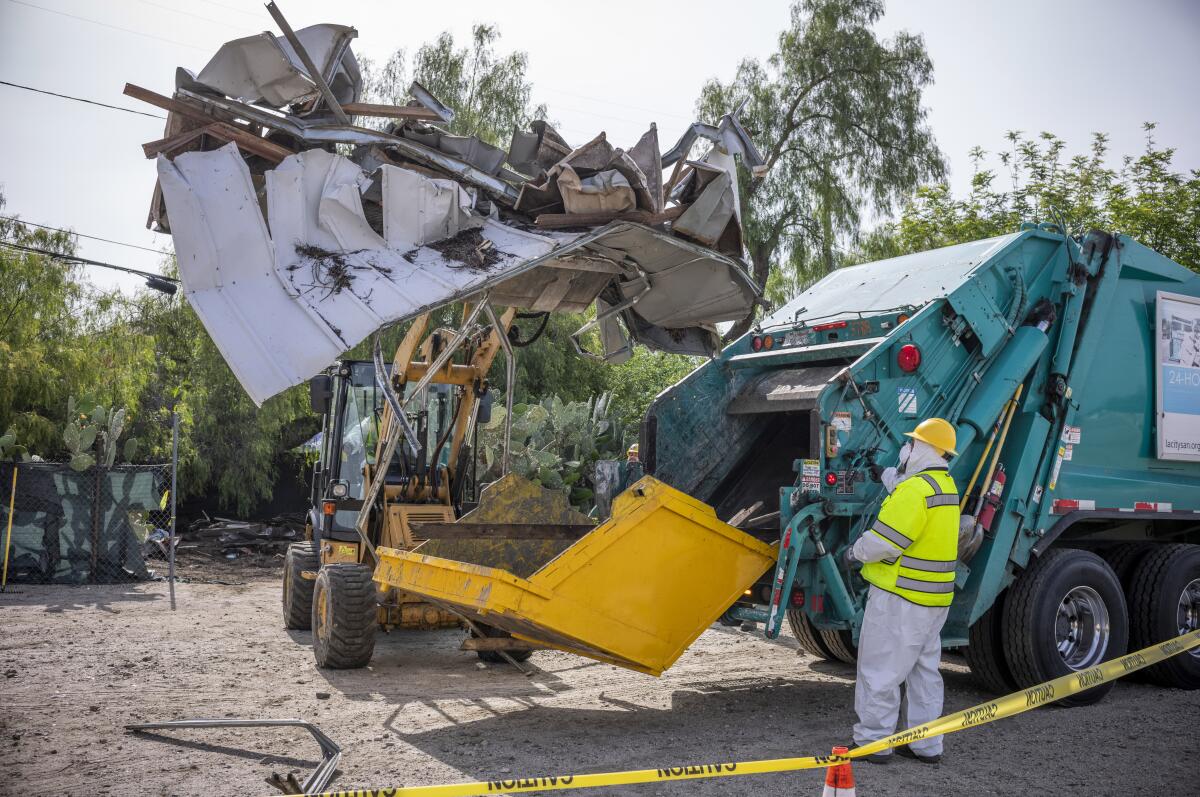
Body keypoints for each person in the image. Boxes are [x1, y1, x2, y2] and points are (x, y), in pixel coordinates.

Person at [845, 417, 960, 765]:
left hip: (900, 598)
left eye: (910, 443)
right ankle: (925, 745)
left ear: (922, 448)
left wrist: (854, 552)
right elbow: (904, 486)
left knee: (879, 670)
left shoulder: (914, 492)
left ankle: (873, 743)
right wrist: (883, 472)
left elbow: (885, 542)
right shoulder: (944, 486)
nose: (905, 448)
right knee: (923, 673)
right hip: (933, 601)